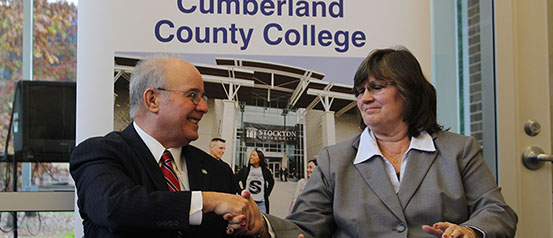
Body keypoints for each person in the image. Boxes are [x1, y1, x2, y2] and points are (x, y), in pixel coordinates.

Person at [231, 47, 518, 238]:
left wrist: (471, 231)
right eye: (360, 91)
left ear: (409, 90)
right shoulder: (335, 159)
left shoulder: (459, 150)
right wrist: (263, 224)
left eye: (376, 87)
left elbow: (498, 212)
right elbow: (305, 227)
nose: (364, 98)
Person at [70, 56, 259, 237]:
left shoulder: (217, 171)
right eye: (193, 95)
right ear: (153, 100)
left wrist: (256, 228)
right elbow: (115, 210)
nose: (203, 107)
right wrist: (209, 201)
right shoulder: (99, 154)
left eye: (203, 97)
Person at [235, 149, 275, 214]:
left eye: (254, 155)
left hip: (261, 203)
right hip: (247, 202)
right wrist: (240, 191)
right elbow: (235, 180)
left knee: (261, 222)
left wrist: (267, 193)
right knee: (247, 221)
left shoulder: (265, 171)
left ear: (259, 158)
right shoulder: (245, 170)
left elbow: (271, 182)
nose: (251, 157)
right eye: (251, 155)